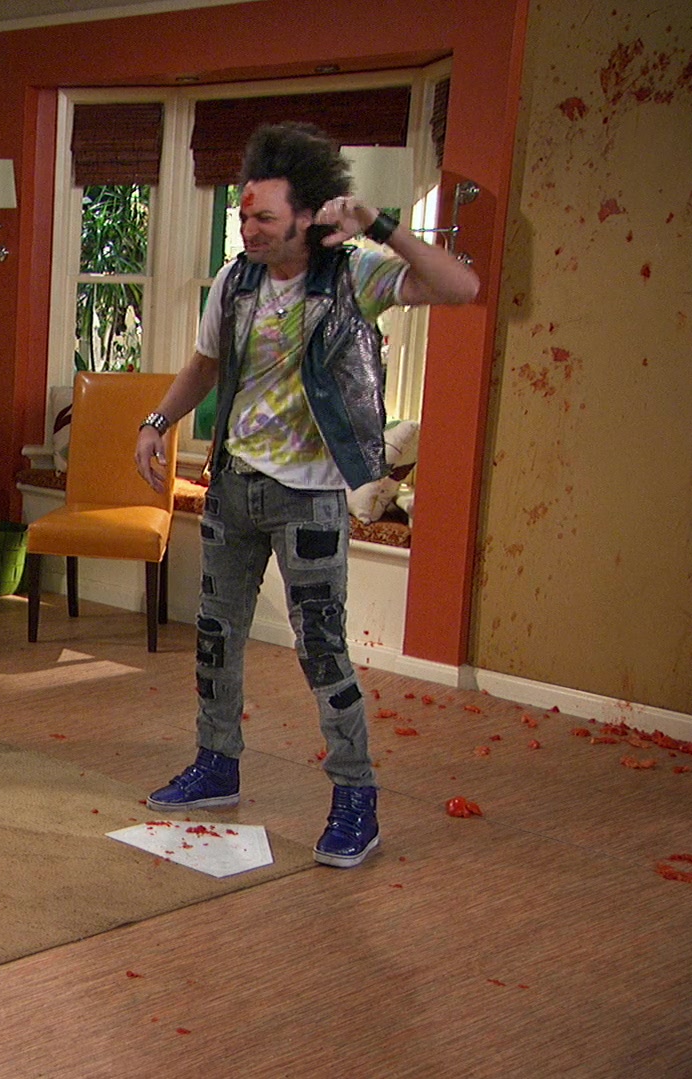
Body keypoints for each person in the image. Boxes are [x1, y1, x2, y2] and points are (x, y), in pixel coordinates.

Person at [132, 123, 480, 868]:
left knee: (321, 649)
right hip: (233, 486)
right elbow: (204, 365)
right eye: (243, 214)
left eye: (263, 217)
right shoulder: (236, 281)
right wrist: (157, 424)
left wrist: (379, 223)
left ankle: (356, 798)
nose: (248, 228)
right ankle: (216, 765)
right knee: (216, 635)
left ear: (306, 216)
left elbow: (461, 288)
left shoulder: (354, 276)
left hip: (312, 500)